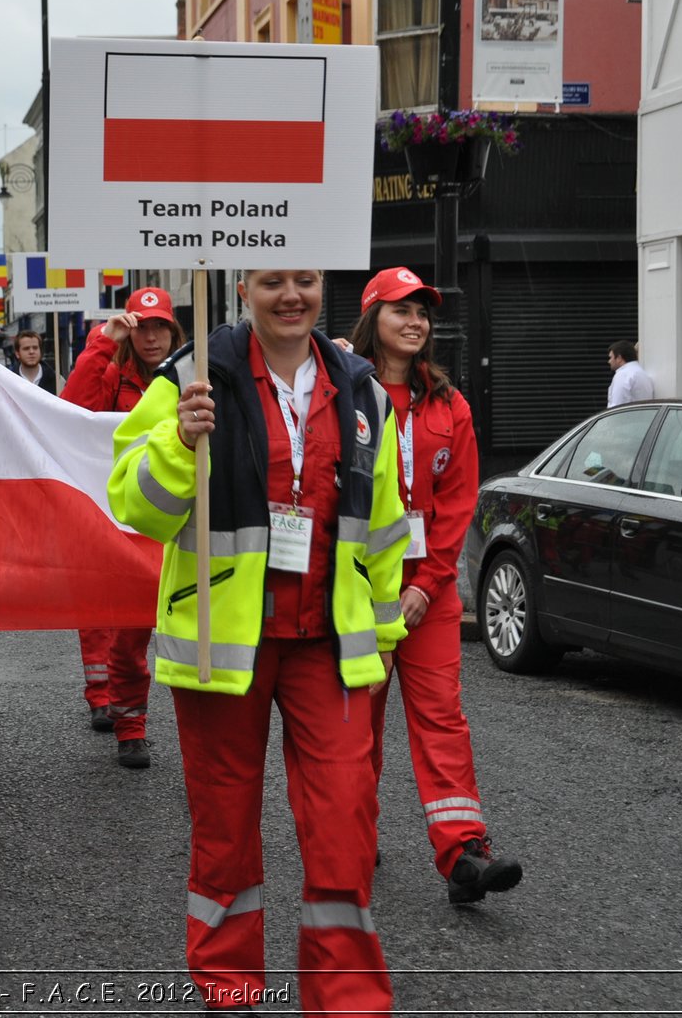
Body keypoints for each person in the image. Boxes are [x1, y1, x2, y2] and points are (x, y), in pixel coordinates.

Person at [109, 268, 408, 1015]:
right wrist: (181, 439)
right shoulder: (189, 377)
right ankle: (229, 993)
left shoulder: (365, 391)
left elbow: (385, 527)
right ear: (244, 287)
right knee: (226, 834)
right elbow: (131, 502)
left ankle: (347, 1003)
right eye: (272, 281)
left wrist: (386, 630)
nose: (291, 296)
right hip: (220, 645)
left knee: (345, 823)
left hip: (329, 647)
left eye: (304, 279)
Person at [349, 267, 524, 906]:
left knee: (442, 719)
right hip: (359, 589)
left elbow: (455, 505)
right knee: (356, 725)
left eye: (423, 311)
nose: (416, 321)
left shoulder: (451, 406)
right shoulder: (343, 394)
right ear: (373, 321)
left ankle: (463, 852)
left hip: (430, 592)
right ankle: (350, 838)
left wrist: (426, 584)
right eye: (401, 310)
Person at [62, 287, 185, 768]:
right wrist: (101, 343)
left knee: (138, 630)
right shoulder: (112, 372)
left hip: (170, 518)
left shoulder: (193, 376)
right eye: (142, 327)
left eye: (160, 327)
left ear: (173, 331)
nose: (151, 337)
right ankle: (127, 723)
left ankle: (126, 712)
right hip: (114, 514)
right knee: (118, 623)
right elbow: (74, 409)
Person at [12, 329, 64, 394]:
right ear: (17, 354)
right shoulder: (9, 381)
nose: (31, 352)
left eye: (35, 348)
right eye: (26, 348)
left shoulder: (57, 381)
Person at [606, 340, 655, 406]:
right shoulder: (643, 374)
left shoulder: (623, 375)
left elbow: (617, 407)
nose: (609, 361)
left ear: (619, 358)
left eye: (610, 357)